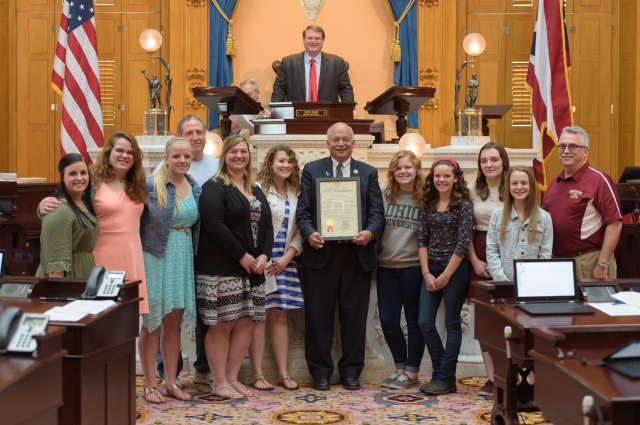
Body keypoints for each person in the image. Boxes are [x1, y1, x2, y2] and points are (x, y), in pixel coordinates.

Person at [296, 122, 385, 391]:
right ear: (327, 143)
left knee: (354, 318)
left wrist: (370, 232)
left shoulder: (368, 172)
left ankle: (350, 373)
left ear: (354, 142)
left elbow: (377, 213)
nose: (341, 144)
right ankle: (320, 373)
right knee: (318, 318)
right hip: (320, 255)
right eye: (336, 139)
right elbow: (304, 212)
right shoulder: (312, 170)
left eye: (346, 139)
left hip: (356, 256)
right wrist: (310, 233)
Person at [195, 135, 273, 399]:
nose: (239, 156)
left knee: (247, 323)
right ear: (224, 156)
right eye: (233, 152)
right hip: (222, 268)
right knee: (223, 324)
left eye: (243, 151)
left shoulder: (255, 188)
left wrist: (264, 255)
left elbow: (268, 226)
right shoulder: (214, 186)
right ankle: (218, 382)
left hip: (253, 270)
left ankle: (232, 377)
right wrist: (242, 256)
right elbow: (215, 225)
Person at [39, 132, 149, 315]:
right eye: (119, 150)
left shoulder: (140, 184)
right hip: (99, 259)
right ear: (108, 153)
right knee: (102, 318)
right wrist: (41, 206)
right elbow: (66, 207)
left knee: (127, 323)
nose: (125, 155)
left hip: (132, 258)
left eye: (130, 152)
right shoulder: (93, 182)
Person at [152, 115, 220, 386]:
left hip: (203, 250)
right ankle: (167, 371)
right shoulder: (160, 172)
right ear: (178, 136)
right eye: (189, 132)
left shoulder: (216, 166)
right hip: (168, 252)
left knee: (203, 311)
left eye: (199, 132)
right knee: (167, 315)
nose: (195, 137)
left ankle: (203, 367)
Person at [138, 138, 201, 403]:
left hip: (182, 257)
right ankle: (150, 384)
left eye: (186, 156)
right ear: (166, 158)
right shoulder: (151, 185)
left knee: (172, 325)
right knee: (151, 324)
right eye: (176, 156)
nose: (182, 161)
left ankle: (171, 382)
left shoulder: (195, 186)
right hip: (155, 257)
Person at [248, 145, 304, 391]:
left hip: (285, 263)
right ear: (270, 163)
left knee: (281, 315)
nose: (286, 165)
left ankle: (283, 373)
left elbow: (301, 230)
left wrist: (288, 257)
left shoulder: (297, 192)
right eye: (281, 160)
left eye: (290, 161)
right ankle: (258, 374)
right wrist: (265, 256)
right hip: (262, 260)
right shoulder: (258, 188)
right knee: (259, 317)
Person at [417, 158, 473, 396]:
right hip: (431, 269)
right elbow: (421, 241)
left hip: (455, 270)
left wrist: (447, 274)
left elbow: (463, 244)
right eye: (437, 176)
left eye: (447, 176)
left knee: (451, 324)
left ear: (456, 178)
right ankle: (442, 374)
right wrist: (427, 273)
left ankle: (445, 377)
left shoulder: (464, 206)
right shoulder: (427, 203)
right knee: (425, 322)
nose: (441, 180)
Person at [544, 126, 622, 279]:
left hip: (588, 261)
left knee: (591, 304)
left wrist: (602, 263)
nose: (566, 150)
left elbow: (615, 224)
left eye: (573, 146)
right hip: (557, 261)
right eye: (562, 146)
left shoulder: (599, 180)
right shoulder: (556, 181)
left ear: (585, 151)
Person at [376, 150, 425, 390]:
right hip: (386, 267)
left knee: (414, 321)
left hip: (414, 268)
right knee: (387, 319)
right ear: (392, 172)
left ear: (417, 170)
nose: (403, 172)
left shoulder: (426, 198)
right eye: (398, 168)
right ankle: (400, 369)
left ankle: (412, 372)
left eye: (408, 167)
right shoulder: (384, 196)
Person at [467, 142, 509, 397]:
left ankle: (509, 375)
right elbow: (467, 229)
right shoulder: (474, 190)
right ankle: (492, 378)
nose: (489, 165)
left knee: (508, 319)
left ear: (503, 161)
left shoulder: (514, 187)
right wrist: (474, 261)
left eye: (494, 159)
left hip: (508, 252)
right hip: (479, 251)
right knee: (484, 320)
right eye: (484, 160)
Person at [36, 154, 99, 278]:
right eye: (72, 174)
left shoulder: (84, 204)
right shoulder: (58, 210)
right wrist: (60, 295)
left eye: (83, 173)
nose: (79, 178)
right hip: (67, 282)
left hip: (84, 274)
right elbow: (55, 266)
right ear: (61, 177)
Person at [486, 166, 553, 280]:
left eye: (524, 183)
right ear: (508, 186)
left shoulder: (544, 218)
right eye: (514, 183)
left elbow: (545, 255)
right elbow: (492, 251)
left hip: (532, 283)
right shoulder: (497, 215)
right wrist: (502, 281)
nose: (519, 187)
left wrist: (533, 281)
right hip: (503, 282)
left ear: (531, 185)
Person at [271, 25, 354, 104]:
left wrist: (351, 110)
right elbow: (279, 90)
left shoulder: (337, 62)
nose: (313, 41)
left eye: (317, 38)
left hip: (329, 115)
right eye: (310, 38)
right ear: (303, 39)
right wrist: (275, 110)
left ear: (323, 40)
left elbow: (345, 90)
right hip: (296, 115)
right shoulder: (288, 62)